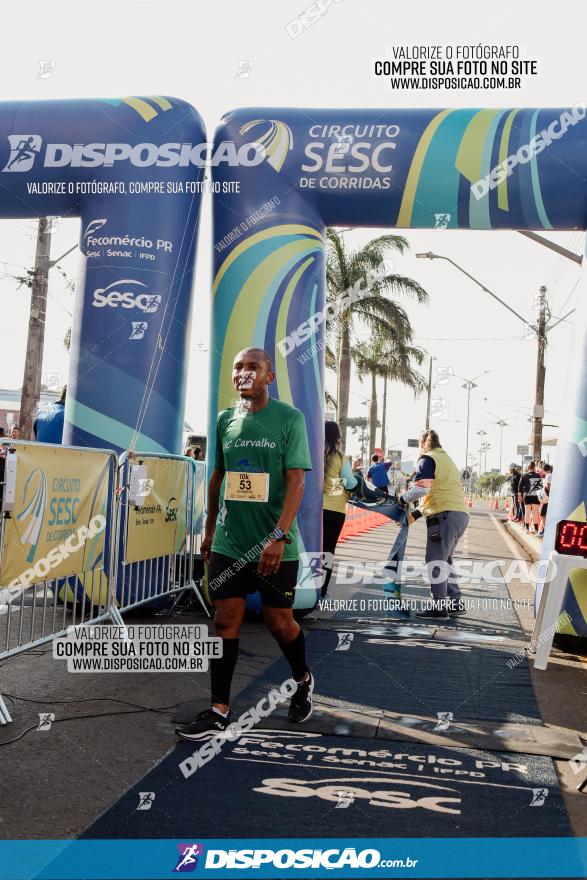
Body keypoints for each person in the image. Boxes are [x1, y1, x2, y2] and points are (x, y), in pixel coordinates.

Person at [176, 348, 314, 742]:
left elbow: (296, 481)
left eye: (253, 367)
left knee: (278, 622)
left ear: (269, 377)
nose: (244, 373)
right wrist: (207, 530)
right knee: (224, 621)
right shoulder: (225, 420)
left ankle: (302, 679)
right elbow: (219, 475)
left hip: (275, 544)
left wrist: (278, 535)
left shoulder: (289, 419)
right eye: (238, 367)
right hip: (230, 543)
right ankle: (219, 709)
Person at [399, 429, 469, 620]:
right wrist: (417, 512)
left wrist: (403, 498)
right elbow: (438, 492)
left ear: (423, 445)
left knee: (435, 561)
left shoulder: (427, 459)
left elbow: (423, 487)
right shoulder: (446, 459)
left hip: (444, 516)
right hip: (459, 515)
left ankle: (439, 608)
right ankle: (455, 602)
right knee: (444, 560)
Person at [322, 421, 358, 598]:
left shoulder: (314, 454)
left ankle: (305, 587)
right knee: (327, 551)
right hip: (335, 511)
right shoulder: (340, 458)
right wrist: (357, 484)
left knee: (312, 550)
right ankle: (321, 592)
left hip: (314, 510)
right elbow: (349, 483)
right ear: (337, 436)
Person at [518, 461, 543, 534]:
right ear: (534, 467)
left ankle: (527, 529)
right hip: (535, 495)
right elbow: (540, 487)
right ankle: (535, 529)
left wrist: (520, 496)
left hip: (527, 495)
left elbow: (519, 487)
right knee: (535, 513)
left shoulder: (524, 475)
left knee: (527, 512)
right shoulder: (538, 475)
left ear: (528, 467)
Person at [538, 463, 553, 537]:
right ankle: (545, 531)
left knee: (542, 515)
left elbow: (548, 486)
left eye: (542, 469)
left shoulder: (549, 476)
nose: (541, 470)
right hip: (548, 498)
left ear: (544, 469)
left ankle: (547, 531)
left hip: (547, 499)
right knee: (544, 515)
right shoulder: (550, 475)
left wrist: (547, 496)